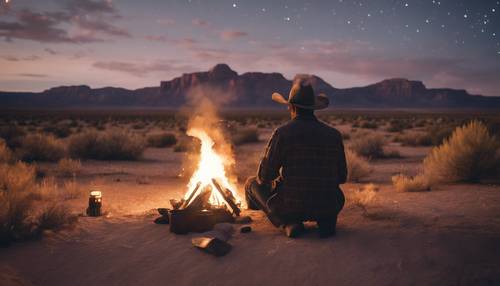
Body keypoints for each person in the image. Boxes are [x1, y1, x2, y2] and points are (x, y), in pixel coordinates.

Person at [245, 82, 347, 238]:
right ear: (313, 108)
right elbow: (342, 177)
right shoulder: (333, 135)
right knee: (326, 196)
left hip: (292, 206)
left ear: (292, 107)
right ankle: (326, 221)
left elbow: (264, 177)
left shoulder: (283, 134)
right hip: (328, 205)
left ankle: (288, 222)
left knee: (251, 184)